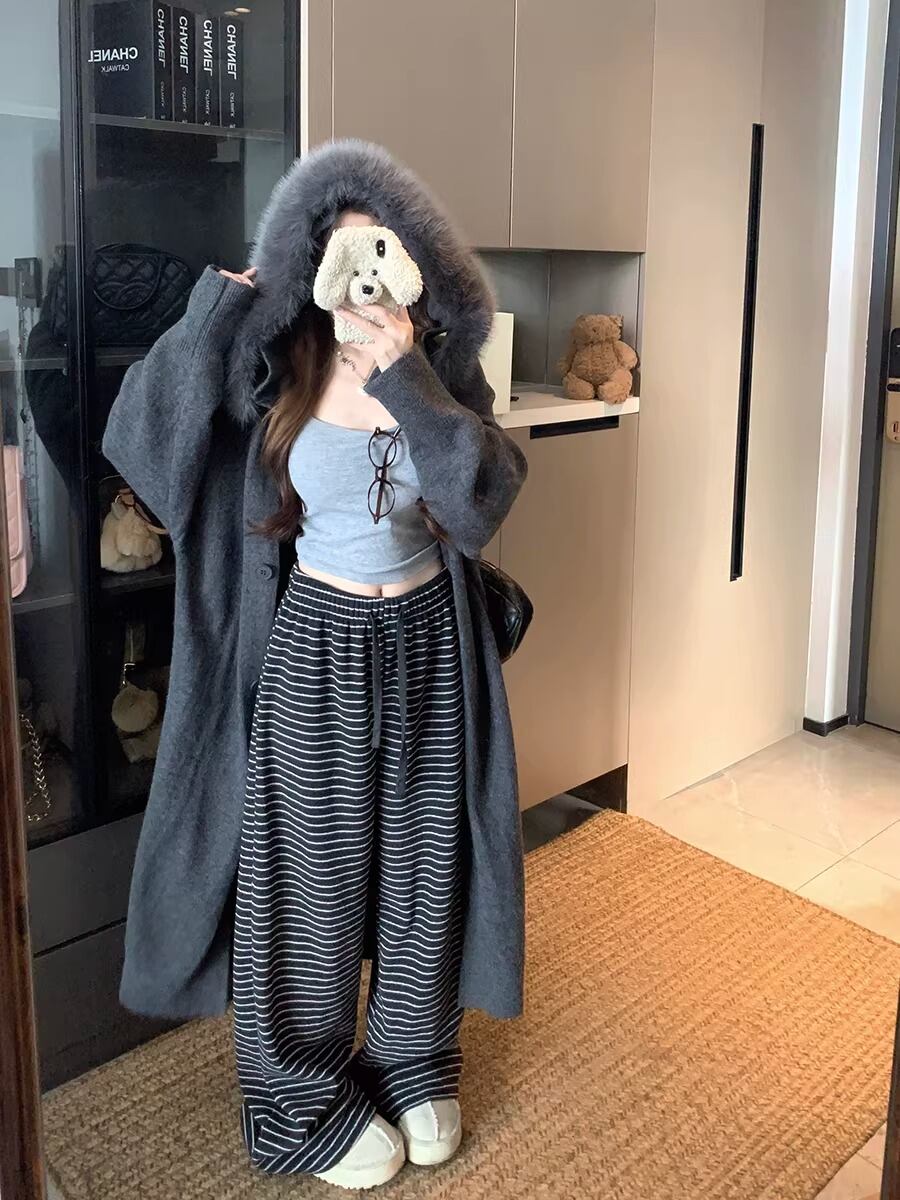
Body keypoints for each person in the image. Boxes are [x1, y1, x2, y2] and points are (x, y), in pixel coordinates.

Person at [102, 139, 528, 1190]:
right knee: (313, 884)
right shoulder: (274, 365)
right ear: (305, 263)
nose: (362, 277)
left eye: (381, 250)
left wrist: (410, 376)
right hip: (315, 646)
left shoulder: (437, 366)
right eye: (338, 253)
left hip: (431, 648)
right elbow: (143, 445)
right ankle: (294, 1096)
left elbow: (482, 501)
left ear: (414, 261)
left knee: (427, 868)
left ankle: (411, 1059)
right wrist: (216, 310)